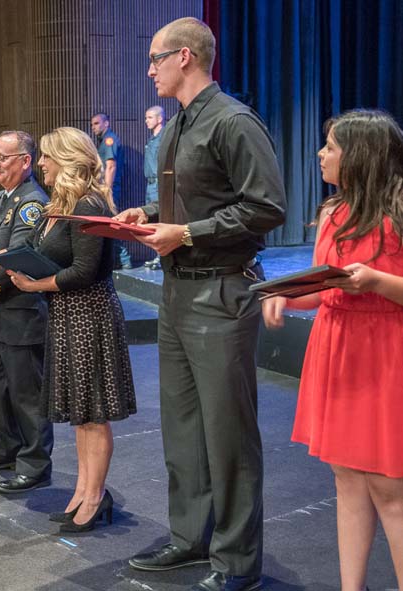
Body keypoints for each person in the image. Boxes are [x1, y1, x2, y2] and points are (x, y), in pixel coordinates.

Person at [117, 18, 286, 591]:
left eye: (155, 59)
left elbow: (267, 208)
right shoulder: (179, 126)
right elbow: (188, 206)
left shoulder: (233, 120)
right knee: (183, 428)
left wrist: (185, 233)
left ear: (185, 57)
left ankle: (238, 560)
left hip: (220, 291)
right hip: (178, 291)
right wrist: (147, 218)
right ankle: (191, 539)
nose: (149, 69)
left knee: (228, 434)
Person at [263, 109, 403, 591]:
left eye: (331, 147)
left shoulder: (399, 212)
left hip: (386, 351)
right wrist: (283, 295)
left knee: (389, 489)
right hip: (337, 346)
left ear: (360, 156)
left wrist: (378, 280)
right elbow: (326, 288)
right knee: (346, 479)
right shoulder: (332, 213)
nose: (321, 154)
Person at [7, 127, 136, 532]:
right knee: (81, 415)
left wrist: (34, 285)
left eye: (46, 156)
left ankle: (95, 497)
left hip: (90, 315)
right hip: (65, 314)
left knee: (94, 414)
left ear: (66, 159)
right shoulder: (57, 205)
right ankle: (83, 490)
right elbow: (31, 249)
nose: (40, 163)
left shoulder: (89, 202)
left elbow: (84, 271)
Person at [0, 130, 54, 494]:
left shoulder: (32, 201)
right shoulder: (1, 200)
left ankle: (34, 464)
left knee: (26, 394)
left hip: (21, 310)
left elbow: (17, 255)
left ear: (25, 161)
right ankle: (6, 448)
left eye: (2, 157)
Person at [91, 112, 132, 269]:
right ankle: (121, 259)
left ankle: (124, 259)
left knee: (113, 222)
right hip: (106, 188)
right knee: (110, 222)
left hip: (109, 189)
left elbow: (111, 165)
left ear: (106, 123)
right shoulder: (103, 141)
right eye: (92, 124)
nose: (93, 127)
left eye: (96, 123)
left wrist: (106, 190)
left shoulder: (109, 140)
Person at [144, 105, 165, 269]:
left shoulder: (164, 137)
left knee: (162, 219)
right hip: (150, 184)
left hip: (159, 183)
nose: (146, 121)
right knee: (152, 220)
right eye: (146, 118)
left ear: (160, 118)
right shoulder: (151, 139)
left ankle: (162, 257)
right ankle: (157, 255)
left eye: (150, 117)